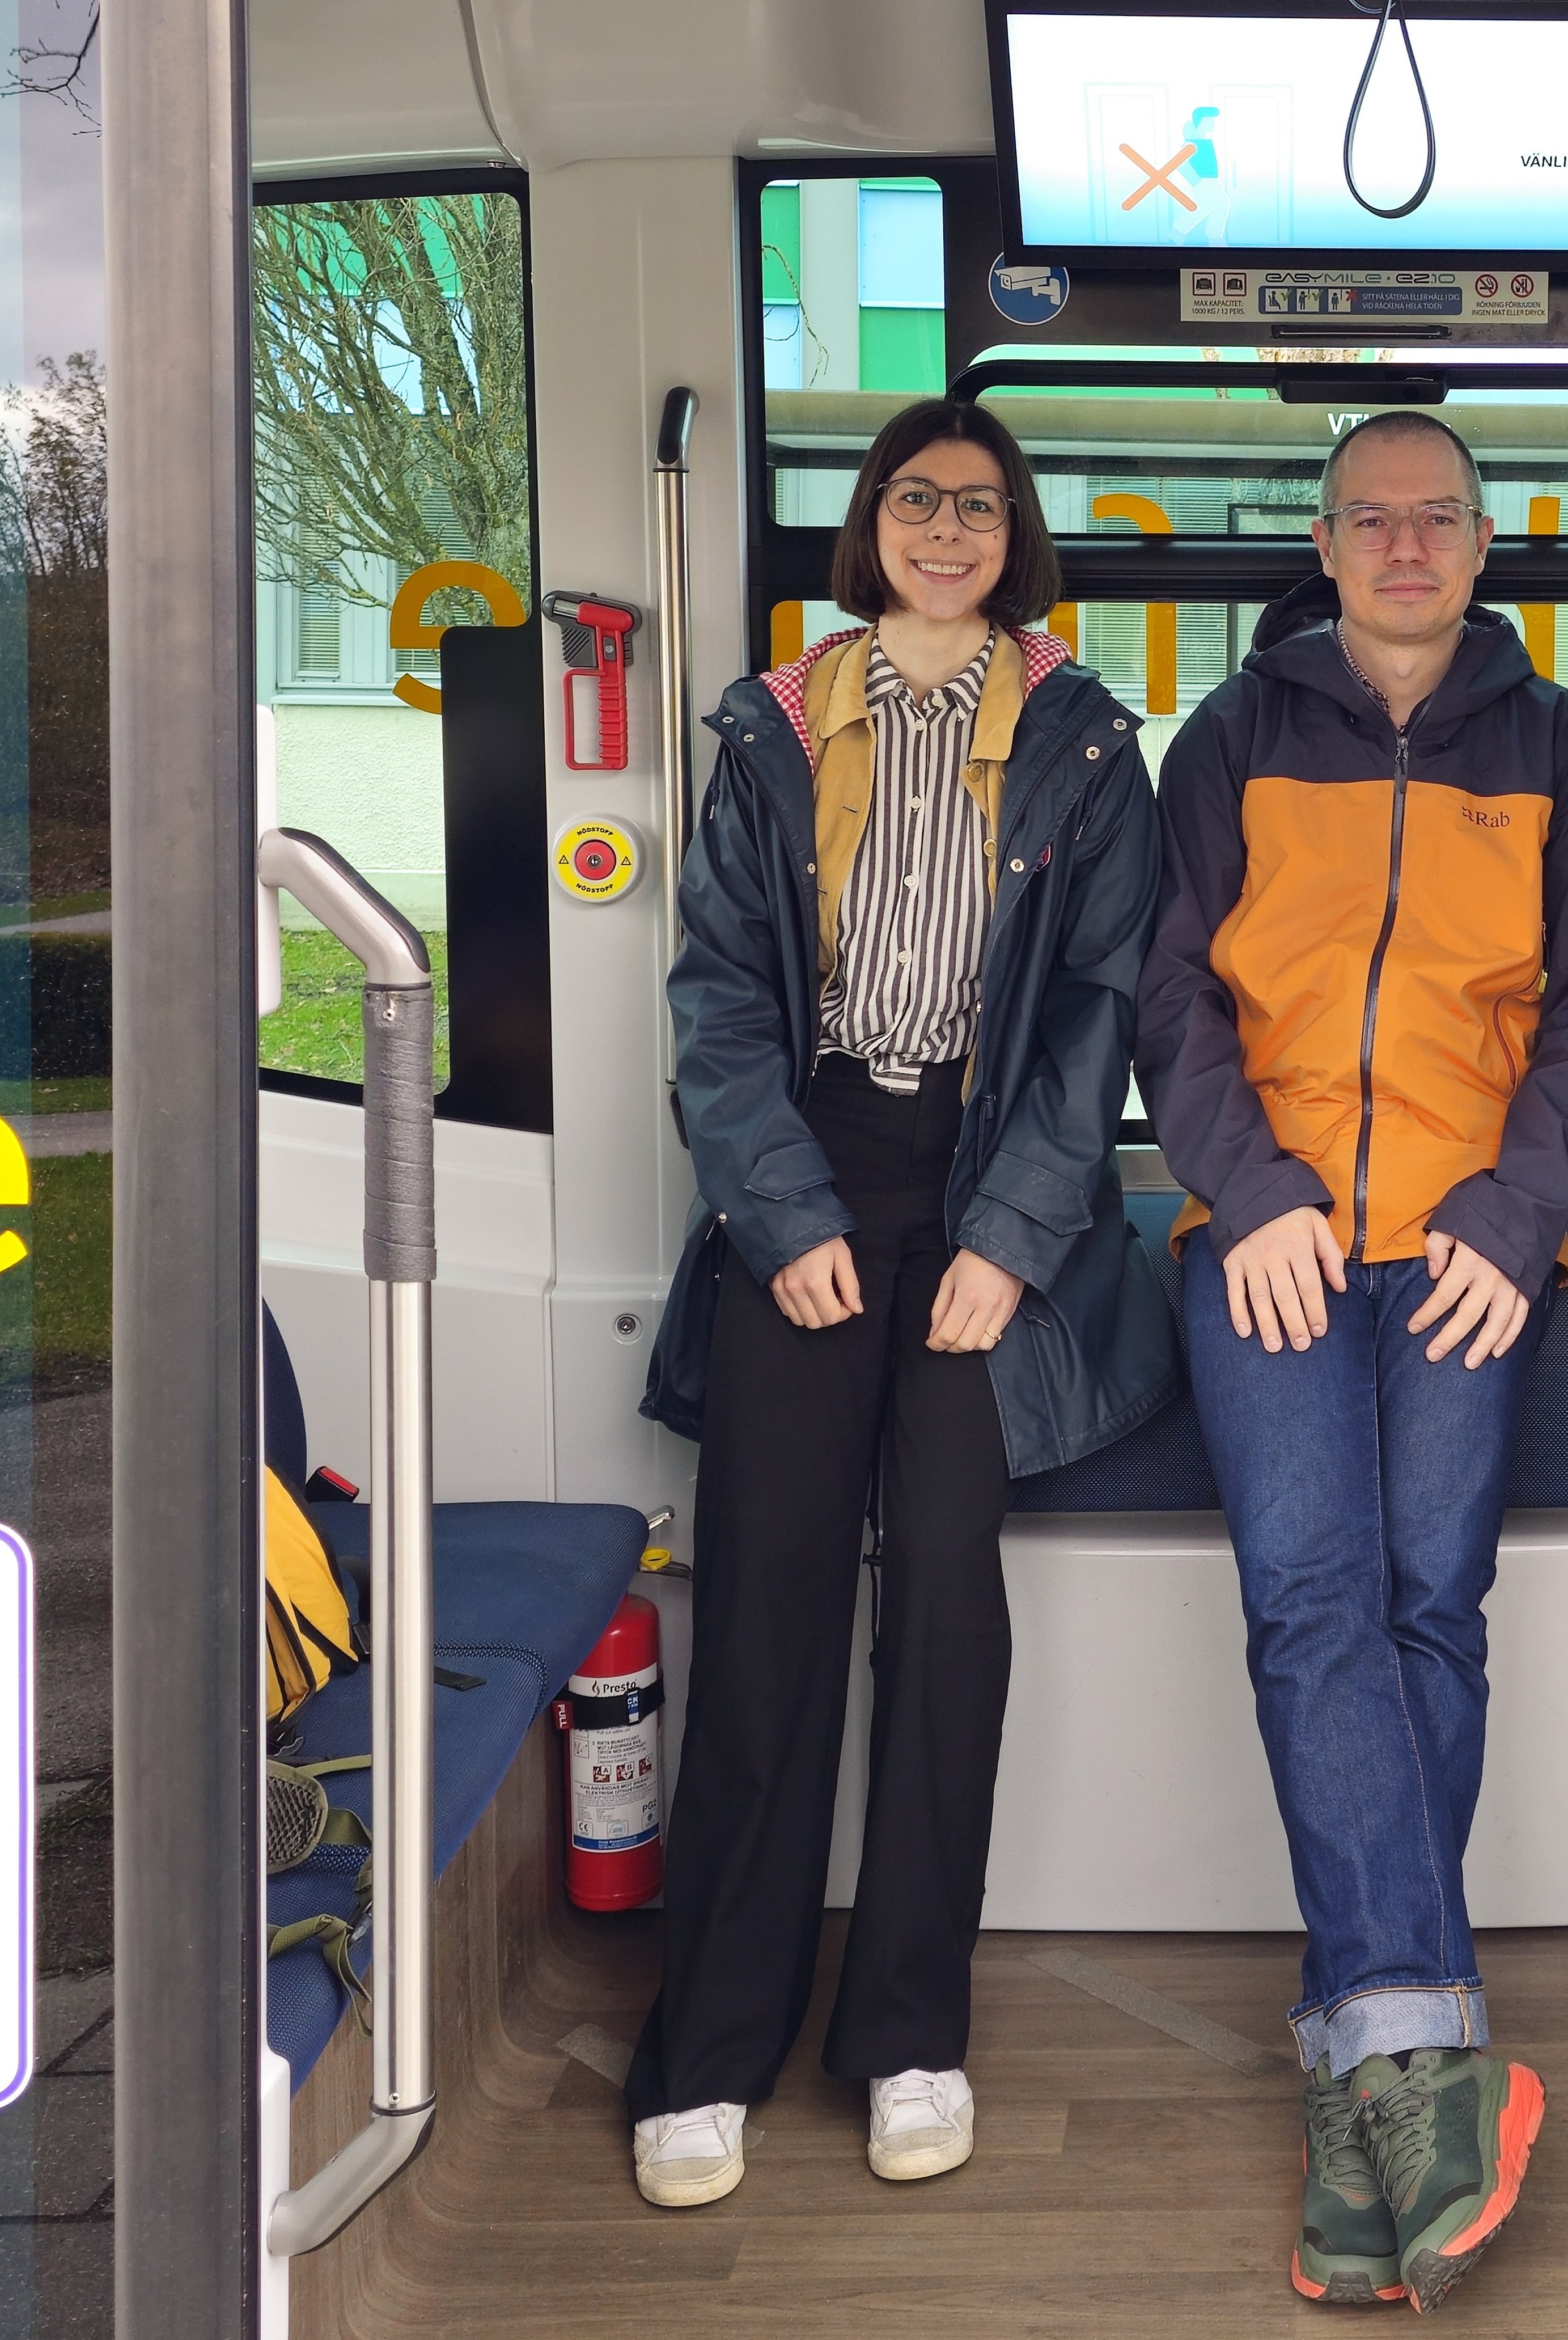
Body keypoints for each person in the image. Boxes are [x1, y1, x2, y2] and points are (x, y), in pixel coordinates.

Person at [628, 398, 1173, 2208]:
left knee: (947, 1603)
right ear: (872, 524)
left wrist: (1012, 1241)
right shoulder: (775, 725)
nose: (949, 527)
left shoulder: (1090, 741)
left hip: (988, 1192)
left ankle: (910, 2035)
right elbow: (715, 1000)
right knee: (767, 1592)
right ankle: (708, 2051)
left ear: (1019, 537)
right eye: (917, 500)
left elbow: (1097, 1014)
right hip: (808, 1178)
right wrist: (778, 1216)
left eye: (982, 505)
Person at [1136, 410, 1568, 2309]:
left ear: (1485, 543)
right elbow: (1168, 990)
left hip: (1466, 1239)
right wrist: (1249, 1192)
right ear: (1325, 542)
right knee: (1315, 1596)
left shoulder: (1565, 752)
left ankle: (1359, 2061)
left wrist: (1516, 1221)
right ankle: (1421, 2057)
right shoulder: (1236, 738)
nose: (1408, 546)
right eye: (1375, 520)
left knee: (1433, 1598)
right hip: (1261, 1232)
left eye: (1441, 520)